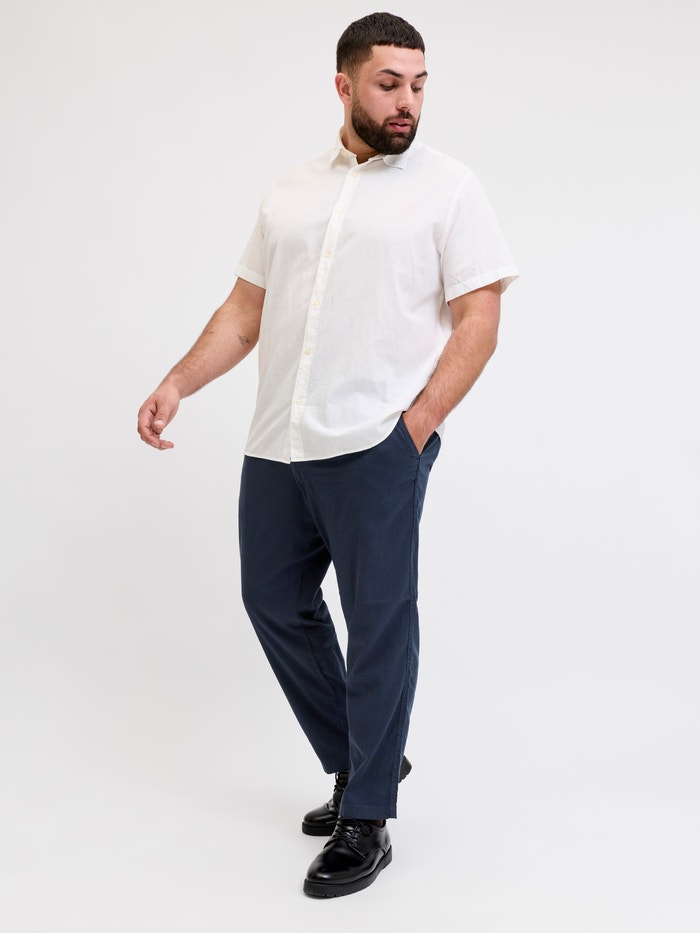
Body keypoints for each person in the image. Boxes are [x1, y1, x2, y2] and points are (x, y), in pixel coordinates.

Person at [137, 11, 518, 898]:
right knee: (272, 598)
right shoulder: (290, 191)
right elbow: (244, 312)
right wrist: (178, 381)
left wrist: (414, 426)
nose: (407, 101)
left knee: (381, 620)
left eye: (418, 84)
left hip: (376, 442)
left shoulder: (450, 189)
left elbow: (481, 317)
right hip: (279, 439)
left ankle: (367, 812)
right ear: (344, 85)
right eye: (389, 84)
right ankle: (360, 756)